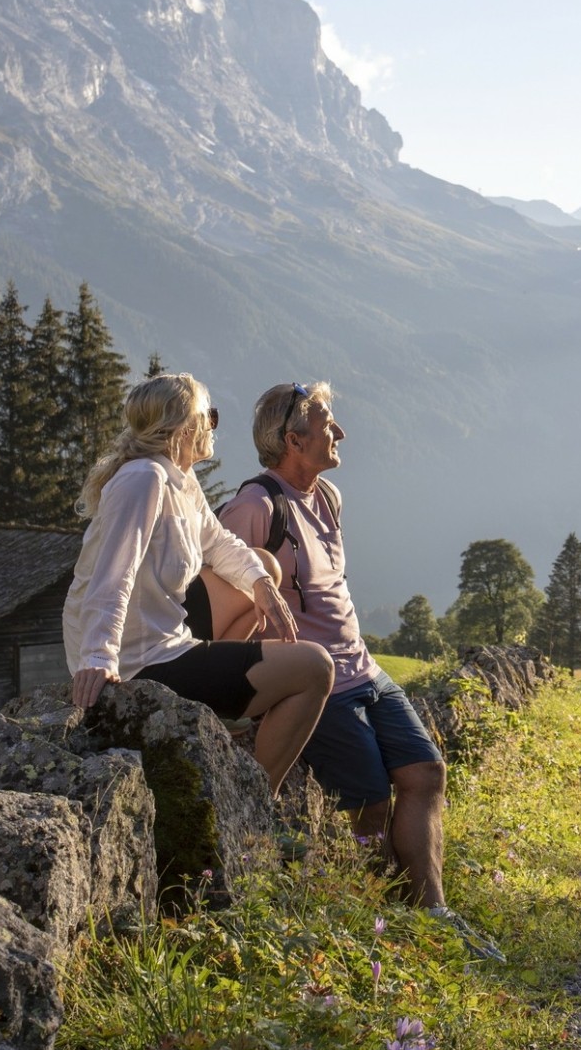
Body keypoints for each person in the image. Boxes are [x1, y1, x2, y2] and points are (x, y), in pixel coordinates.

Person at [220, 382, 499, 957]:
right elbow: (219, 600)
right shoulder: (253, 508)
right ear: (293, 440)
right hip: (315, 682)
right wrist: (238, 698)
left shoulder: (328, 498)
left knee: (425, 774)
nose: (339, 433)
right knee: (371, 802)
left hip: (366, 671)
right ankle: (392, 927)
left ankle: (435, 916)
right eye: (327, 424)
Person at [64, 373, 334, 795]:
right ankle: (253, 801)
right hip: (141, 661)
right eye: (209, 416)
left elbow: (219, 542)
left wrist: (262, 584)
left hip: (167, 637)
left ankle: (220, 717)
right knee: (316, 668)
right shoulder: (144, 480)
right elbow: (112, 573)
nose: (214, 426)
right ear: (184, 427)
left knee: (262, 563)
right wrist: (99, 657)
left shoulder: (178, 479)